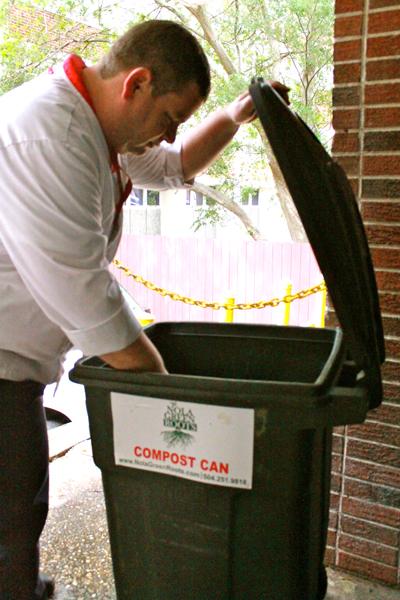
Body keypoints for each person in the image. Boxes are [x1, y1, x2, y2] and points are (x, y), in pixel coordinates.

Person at [0, 19, 289, 600]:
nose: (165, 135)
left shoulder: (102, 127)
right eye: (168, 117)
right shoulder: (51, 133)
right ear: (136, 83)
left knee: (20, 508)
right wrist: (174, 404)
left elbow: (172, 167)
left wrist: (232, 120)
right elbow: (88, 299)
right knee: (10, 517)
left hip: (16, 363)